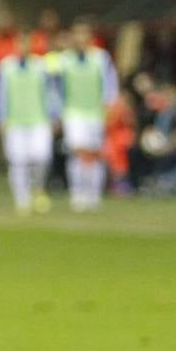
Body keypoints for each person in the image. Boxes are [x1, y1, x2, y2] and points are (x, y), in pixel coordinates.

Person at [59, 20, 118, 211]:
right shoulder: (65, 59)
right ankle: (77, 193)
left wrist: (109, 108)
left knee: (93, 154)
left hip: (95, 112)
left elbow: (110, 86)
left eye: (84, 34)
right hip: (73, 112)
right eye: (77, 34)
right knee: (77, 151)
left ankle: (93, 194)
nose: (80, 39)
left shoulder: (100, 58)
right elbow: (58, 87)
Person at [0, 43, 57, 214]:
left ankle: (38, 188)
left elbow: (51, 91)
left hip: (39, 119)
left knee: (41, 156)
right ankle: (22, 199)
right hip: (14, 121)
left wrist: (54, 115)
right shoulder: (6, 67)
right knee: (18, 161)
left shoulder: (41, 66)